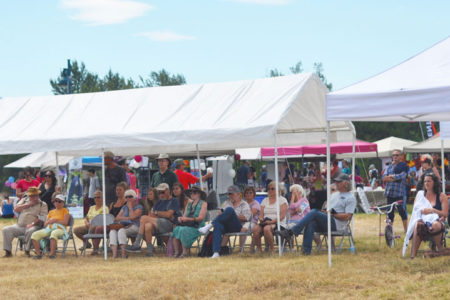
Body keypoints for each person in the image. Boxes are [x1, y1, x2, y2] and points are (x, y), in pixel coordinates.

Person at [286, 174, 356, 255]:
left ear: (346, 183)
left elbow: (347, 216)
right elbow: (327, 208)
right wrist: (325, 211)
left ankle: (293, 231)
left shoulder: (350, 198)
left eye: (339, 181)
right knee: (310, 223)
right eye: (336, 181)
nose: (336, 183)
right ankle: (306, 251)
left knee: (314, 212)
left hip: (337, 224)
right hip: (328, 220)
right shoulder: (334, 195)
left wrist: (333, 214)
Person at [125, 183, 180, 256]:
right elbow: (152, 215)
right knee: (147, 226)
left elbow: (168, 214)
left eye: (162, 192)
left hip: (170, 224)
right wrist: (160, 214)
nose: (161, 194)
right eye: (159, 192)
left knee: (144, 218)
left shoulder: (174, 200)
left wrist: (157, 213)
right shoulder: (159, 202)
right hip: (159, 223)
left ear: (168, 191)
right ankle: (150, 251)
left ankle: (137, 244)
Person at [198, 185, 251, 258]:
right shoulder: (226, 203)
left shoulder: (244, 204)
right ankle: (216, 252)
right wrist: (222, 214)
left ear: (238, 194)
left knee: (230, 210)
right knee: (218, 225)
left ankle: (210, 225)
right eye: (229, 194)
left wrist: (232, 215)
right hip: (226, 226)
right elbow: (220, 214)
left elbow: (246, 218)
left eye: (232, 193)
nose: (230, 196)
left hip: (238, 226)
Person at [407, 174, 448, 259]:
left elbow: (445, 213)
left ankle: (440, 250)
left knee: (435, 225)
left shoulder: (441, 196)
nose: (426, 183)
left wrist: (432, 210)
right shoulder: (420, 195)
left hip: (438, 221)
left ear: (434, 183)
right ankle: (413, 256)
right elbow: (415, 210)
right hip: (422, 220)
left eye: (429, 181)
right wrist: (421, 213)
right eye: (425, 181)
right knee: (419, 225)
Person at [2, 187, 48, 257]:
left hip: (34, 226)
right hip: (20, 226)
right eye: (32, 195)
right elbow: (16, 209)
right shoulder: (24, 200)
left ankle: (27, 251)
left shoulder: (42, 204)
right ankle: (8, 252)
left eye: (36, 195)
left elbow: (42, 218)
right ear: (29, 196)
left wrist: (32, 224)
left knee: (30, 231)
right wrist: (28, 204)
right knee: (6, 230)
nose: (35, 197)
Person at [91, 181, 128, 254]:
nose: (118, 192)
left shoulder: (126, 203)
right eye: (117, 190)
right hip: (111, 223)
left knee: (99, 228)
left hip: (121, 224)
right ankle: (96, 248)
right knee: (96, 227)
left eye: (120, 190)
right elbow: (108, 216)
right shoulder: (113, 204)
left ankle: (95, 249)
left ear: (125, 191)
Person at [252, 181, 288, 254]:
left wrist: (271, 222)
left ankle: (272, 249)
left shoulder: (282, 200)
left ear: (278, 190)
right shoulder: (265, 200)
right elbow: (261, 214)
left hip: (279, 223)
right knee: (255, 229)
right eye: (268, 189)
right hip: (266, 222)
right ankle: (259, 250)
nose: (270, 190)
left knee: (267, 229)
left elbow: (282, 216)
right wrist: (261, 219)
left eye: (272, 189)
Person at [172, 186, 208, 258]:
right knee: (176, 229)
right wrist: (181, 218)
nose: (192, 194)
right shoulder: (189, 204)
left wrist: (187, 219)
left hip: (198, 226)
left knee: (183, 230)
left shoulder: (203, 203)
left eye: (194, 192)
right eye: (191, 192)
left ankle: (185, 252)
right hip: (189, 225)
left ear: (199, 194)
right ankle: (176, 252)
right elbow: (185, 216)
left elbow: (200, 218)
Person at [31, 194, 70, 259]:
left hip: (60, 228)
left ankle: (52, 254)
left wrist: (55, 220)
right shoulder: (51, 212)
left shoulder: (65, 210)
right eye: (56, 201)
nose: (57, 203)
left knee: (54, 234)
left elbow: (65, 223)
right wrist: (48, 222)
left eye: (59, 201)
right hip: (49, 228)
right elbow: (45, 225)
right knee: (34, 235)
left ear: (63, 203)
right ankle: (38, 254)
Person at [109, 189, 143, 258]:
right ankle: (114, 254)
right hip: (123, 225)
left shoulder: (139, 207)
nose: (128, 198)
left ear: (134, 198)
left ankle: (123, 254)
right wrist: (128, 218)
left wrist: (130, 208)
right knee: (112, 231)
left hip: (135, 226)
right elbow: (116, 218)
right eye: (126, 197)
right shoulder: (124, 207)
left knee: (121, 231)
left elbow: (133, 217)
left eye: (130, 196)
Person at [382, 149, 409, 232]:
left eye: (397, 155)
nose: (395, 157)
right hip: (389, 193)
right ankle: (389, 232)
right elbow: (384, 178)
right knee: (390, 213)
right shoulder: (389, 166)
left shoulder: (404, 166)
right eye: (393, 155)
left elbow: (402, 176)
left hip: (399, 193)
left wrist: (391, 177)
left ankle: (406, 230)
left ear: (401, 156)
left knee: (402, 212)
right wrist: (392, 178)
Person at [241, 186, 260, 251]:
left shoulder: (256, 203)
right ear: (244, 194)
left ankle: (241, 249)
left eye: (250, 193)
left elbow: (250, 216)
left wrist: (240, 215)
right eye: (246, 193)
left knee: (243, 229)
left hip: (252, 223)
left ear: (254, 194)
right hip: (241, 221)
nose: (248, 194)